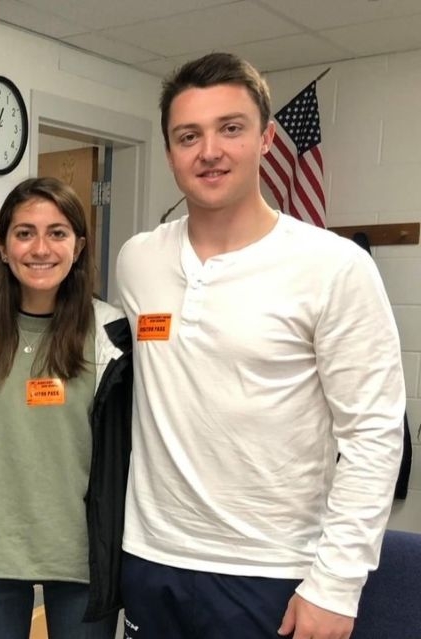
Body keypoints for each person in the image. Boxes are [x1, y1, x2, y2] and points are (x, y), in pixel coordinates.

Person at [116, 52, 406, 639]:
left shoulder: (334, 267)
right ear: (170, 151)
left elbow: (374, 434)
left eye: (231, 128)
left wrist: (337, 582)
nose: (210, 151)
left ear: (266, 138)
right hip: (151, 557)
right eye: (188, 135)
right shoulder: (137, 260)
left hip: (273, 571)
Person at [0, 177, 132, 639]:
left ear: (79, 246)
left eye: (58, 232)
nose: (40, 248)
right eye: (24, 232)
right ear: (3, 248)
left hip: (82, 559)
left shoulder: (115, 338)